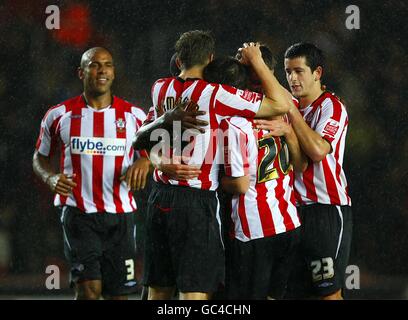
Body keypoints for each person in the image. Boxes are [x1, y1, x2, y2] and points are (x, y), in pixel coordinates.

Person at [133, 31, 293, 300]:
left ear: (179, 59)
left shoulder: (159, 88)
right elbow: (282, 103)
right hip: (195, 201)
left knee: (158, 289)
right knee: (193, 291)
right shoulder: (215, 93)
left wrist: (159, 160)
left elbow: (144, 136)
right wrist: (258, 63)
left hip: (159, 197)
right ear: (209, 59)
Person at [32, 47, 150, 300]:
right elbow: (39, 157)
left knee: (118, 295)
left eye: (107, 64)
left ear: (114, 72)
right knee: (89, 291)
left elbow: (155, 155)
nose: (102, 70)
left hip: (121, 217)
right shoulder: (59, 115)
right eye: (95, 65)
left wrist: (145, 163)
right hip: (78, 213)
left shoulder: (135, 116)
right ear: (81, 72)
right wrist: (49, 177)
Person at [204, 54, 307, 299]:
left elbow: (239, 185)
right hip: (288, 223)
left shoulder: (235, 122)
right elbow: (301, 166)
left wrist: (212, 179)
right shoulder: (287, 108)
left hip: (253, 229)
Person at [262, 42, 352, 300]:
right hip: (292, 212)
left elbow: (318, 150)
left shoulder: (331, 107)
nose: (292, 78)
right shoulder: (290, 105)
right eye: (288, 72)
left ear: (317, 73)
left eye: (299, 71)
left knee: (328, 294)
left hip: (325, 209)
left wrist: (291, 115)